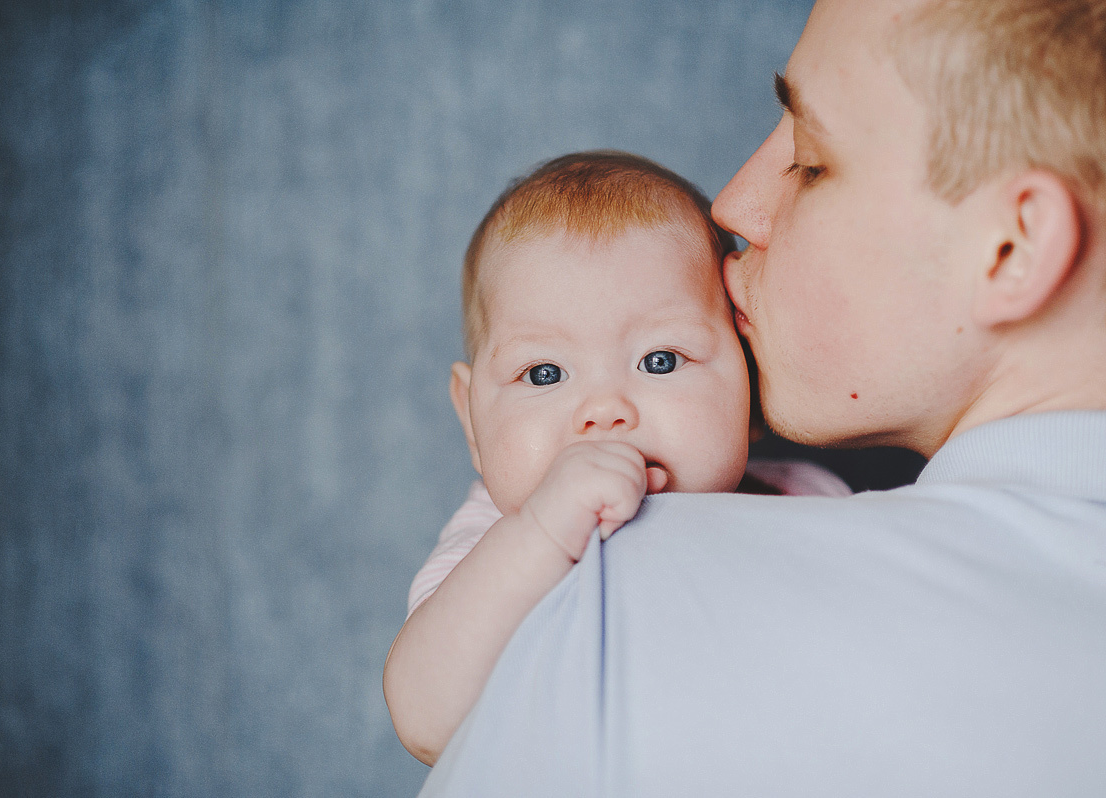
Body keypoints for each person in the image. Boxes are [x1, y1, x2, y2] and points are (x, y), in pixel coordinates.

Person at [419, 0, 1106, 794]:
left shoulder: (619, 595)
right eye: (545, 374)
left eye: (811, 162)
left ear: (1011, 248)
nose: (732, 208)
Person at [383, 151, 851, 766]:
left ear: (750, 385)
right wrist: (548, 529)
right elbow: (427, 718)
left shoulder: (807, 502)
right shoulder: (495, 545)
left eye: (660, 361)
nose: (604, 410)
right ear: (472, 418)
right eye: (544, 373)